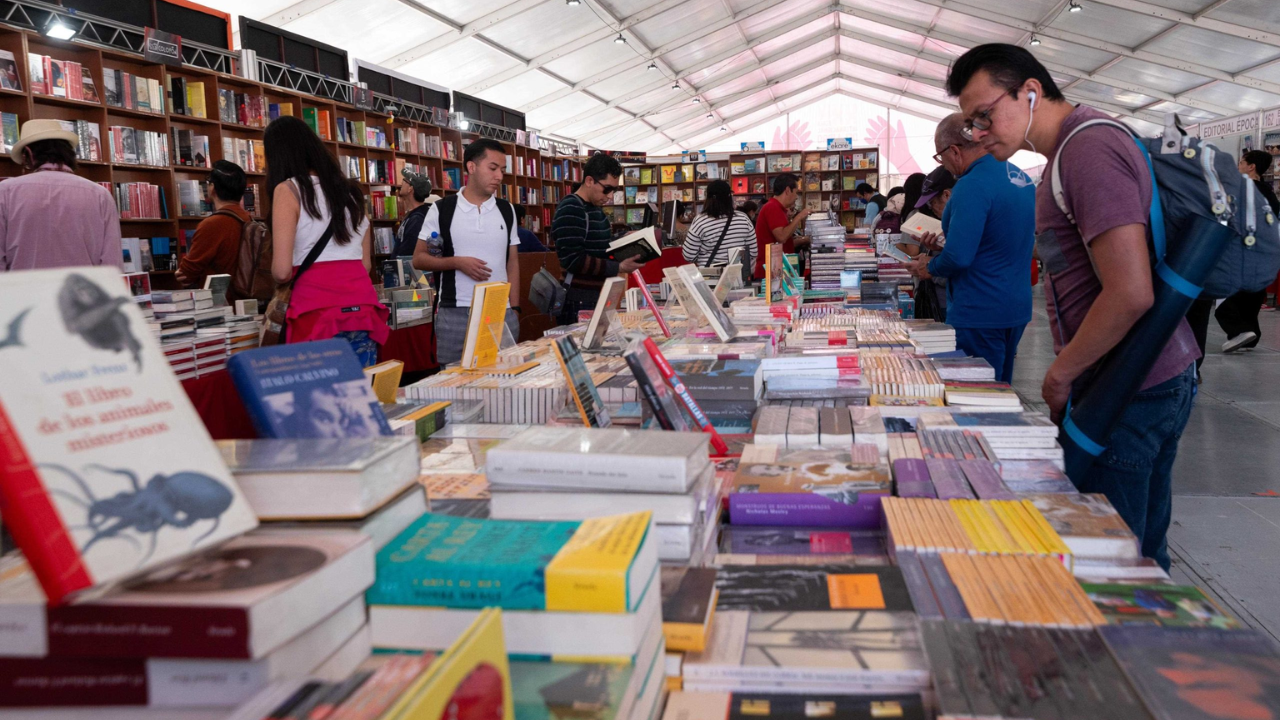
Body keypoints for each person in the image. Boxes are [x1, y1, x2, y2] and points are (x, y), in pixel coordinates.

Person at [948, 43, 1198, 570]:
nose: (978, 133)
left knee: (1115, 562)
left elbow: (1130, 292)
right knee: (1139, 553)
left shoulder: (1087, 150)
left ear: (1030, 92)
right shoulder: (1068, 152)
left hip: (1131, 381)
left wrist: (1062, 373)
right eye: (970, 123)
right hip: (1136, 373)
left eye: (984, 115)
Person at [907, 113, 1036, 384]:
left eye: (940, 157)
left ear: (954, 150)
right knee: (1000, 388)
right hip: (1016, 304)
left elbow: (959, 257)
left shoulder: (970, 185)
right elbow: (997, 238)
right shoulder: (1020, 177)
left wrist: (930, 266)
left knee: (976, 393)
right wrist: (946, 242)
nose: (943, 164)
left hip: (979, 308)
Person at [265, 115, 388, 367]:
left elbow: (282, 271)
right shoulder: (352, 193)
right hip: (361, 308)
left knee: (317, 389)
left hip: (314, 311)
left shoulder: (288, 190)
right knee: (359, 386)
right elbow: (365, 264)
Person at [413, 138, 521, 365]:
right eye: (493, 168)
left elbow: (512, 262)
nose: (499, 177)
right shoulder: (442, 209)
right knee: (452, 379)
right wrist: (457, 262)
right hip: (455, 311)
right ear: (471, 167)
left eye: (502, 170)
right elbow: (419, 259)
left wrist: (515, 308)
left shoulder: (507, 210)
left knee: (504, 377)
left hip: (499, 310)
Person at [0, 119, 121, 271]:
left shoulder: (5, 192)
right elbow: (112, 263)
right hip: (83, 287)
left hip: (23, 286)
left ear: (28, 154)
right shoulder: (100, 195)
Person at [552, 153, 646, 325]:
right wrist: (619, 267)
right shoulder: (571, 208)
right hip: (578, 300)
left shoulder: (594, 208)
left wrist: (623, 239)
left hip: (597, 295)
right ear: (589, 181)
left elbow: (598, 245)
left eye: (614, 190)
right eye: (607, 189)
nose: (610, 196)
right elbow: (573, 260)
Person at [1212, 150, 1280, 354]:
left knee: (1224, 298)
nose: (1238, 165)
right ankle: (1250, 336)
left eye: (1242, 162)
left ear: (1251, 167)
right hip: (1264, 250)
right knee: (1252, 295)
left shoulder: (1241, 190)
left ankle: (1238, 331)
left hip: (1240, 248)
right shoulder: (1268, 192)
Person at [177, 160, 249, 289]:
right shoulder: (249, 219)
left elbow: (186, 274)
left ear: (213, 188)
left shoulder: (212, 224)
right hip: (250, 295)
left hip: (222, 297)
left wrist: (182, 273)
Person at [682, 180, 756, 270]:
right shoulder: (743, 218)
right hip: (738, 274)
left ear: (708, 198)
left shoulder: (700, 221)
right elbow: (753, 252)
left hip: (709, 275)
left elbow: (688, 255)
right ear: (729, 197)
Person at [753, 173, 811, 278]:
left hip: (776, 271)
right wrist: (799, 216)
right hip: (770, 273)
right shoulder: (773, 207)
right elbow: (782, 237)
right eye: (796, 192)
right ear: (788, 190)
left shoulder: (778, 208)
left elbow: (783, 239)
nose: (796, 197)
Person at [392, 168, 438, 257]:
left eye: (404, 180)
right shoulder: (415, 215)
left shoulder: (417, 219)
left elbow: (408, 253)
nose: (401, 183)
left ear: (410, 189)